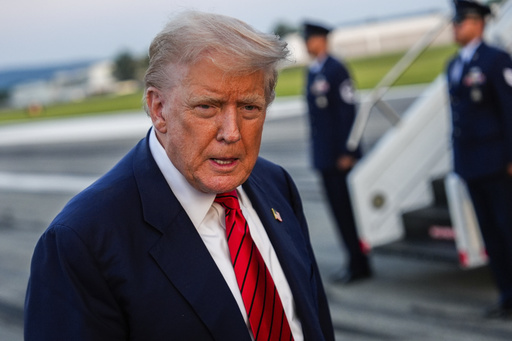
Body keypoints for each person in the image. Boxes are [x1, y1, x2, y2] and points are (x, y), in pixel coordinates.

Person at [24, 11, 335, 340]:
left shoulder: (276, 185)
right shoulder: (81, 241)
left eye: (249, 107)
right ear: (159, 110)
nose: (231, 133)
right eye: (207, 107)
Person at [446, 0, 512, 318]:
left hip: (498, 162)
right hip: (471, 163)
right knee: (490, 233)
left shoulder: (496, 60)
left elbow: (509, 111)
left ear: (477, 24)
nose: (455, 27)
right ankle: (506, 296)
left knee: (507, 229)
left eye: (460, 22)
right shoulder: (455, 64)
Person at [303, 21, 372, 284]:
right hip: (325, 155)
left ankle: (360, 262)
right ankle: (353, 260)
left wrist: (348, 151)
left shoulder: (336, 69)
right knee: (338, 212)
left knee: (349, 210)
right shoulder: (313, 71)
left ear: (322, 40)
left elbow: (347, 112)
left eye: (310, 39)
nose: (307, 44)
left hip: (341, 157)